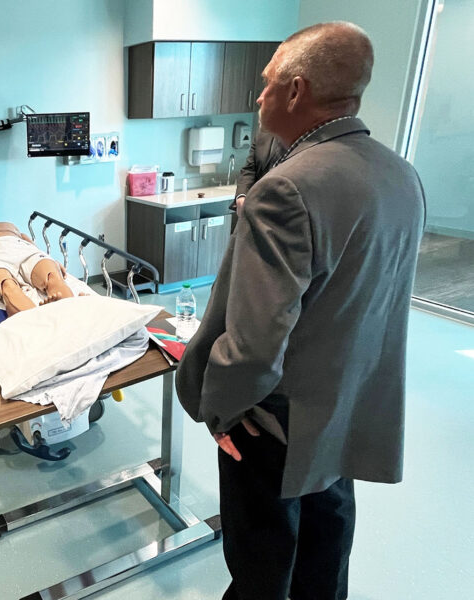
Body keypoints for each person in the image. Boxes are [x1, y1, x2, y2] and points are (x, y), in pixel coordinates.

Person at [174, 22, 425, 600]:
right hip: (348, 403)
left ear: (295, 91)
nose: (258, 97)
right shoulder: (400, 175)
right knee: (326, 546)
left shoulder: (286, 190)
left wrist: (223, 412)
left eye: (266, 85)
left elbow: (256, 342)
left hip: (274, 422)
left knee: (263, 561)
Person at [0, 209, 76, 315]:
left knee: (52, 276)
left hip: (21, 247)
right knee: (7, 285)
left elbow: (34, 247)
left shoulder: (11, 226)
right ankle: (36, 318)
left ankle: (69, 309)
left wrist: (49, 259)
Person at [229, 126, 285, 222]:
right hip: (253, 210)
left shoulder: (305, 140)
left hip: (282, 213)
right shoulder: (264, 132)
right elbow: (250, 168)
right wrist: (241, 196)